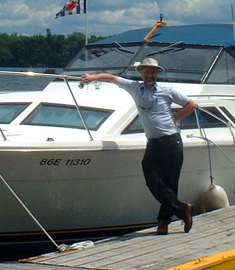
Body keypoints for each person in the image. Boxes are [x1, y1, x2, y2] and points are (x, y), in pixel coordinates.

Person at [81, 57, 197, 234]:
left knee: (170, 183)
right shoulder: (134, 87)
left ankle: (163, 223)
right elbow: (112, 78)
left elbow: (191, 104)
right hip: (153, 143)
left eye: (153, 71)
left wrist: (176, 118)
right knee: (152, 180)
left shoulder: (167, 90)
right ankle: (183, 210)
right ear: (141, 72)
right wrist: (93, 77)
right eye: (147, 71)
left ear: (157, 73)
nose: (150, 74)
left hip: (172, 141)